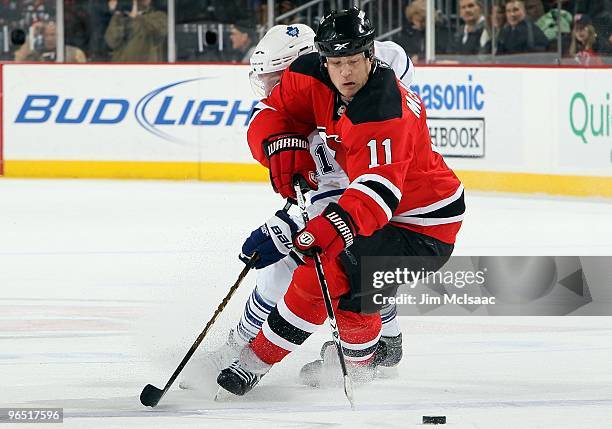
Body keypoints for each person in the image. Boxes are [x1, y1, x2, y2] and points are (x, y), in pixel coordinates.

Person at [216, 7, 464, 396]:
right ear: (321, 60)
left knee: (334, 273)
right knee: (329, 272)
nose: (345, 72)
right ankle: (255, 361)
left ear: (369, 57)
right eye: (336, 62)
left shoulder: (383, 109)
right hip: (376, 205)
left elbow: (374, 194)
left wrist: (297, 230)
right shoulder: (310, 75)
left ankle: (351, 361)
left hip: (419, 222)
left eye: (353, 61)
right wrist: (278, 140)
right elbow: (274, 110)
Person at [179, 23, 416, 391]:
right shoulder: (311, 108)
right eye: (269, 81)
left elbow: (391, 62)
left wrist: (288, 225)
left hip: (389, 198)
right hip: (361, 200)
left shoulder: (358, 94)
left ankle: (243, 348)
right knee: (345, 268)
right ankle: (385, 341)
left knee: (339, 267)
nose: (274, 90)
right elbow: (271, 125)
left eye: (279, 78)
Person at [14, 21, 86, 62]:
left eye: (52, 35)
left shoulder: (74, 53)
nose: (49, 38)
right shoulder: (36, 55)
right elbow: (17, 62)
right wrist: (32, 35)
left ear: (60, 36)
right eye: (46, 35)